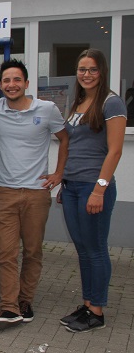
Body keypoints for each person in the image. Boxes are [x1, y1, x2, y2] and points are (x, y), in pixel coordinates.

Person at [0, 59, 69, 331]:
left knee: (32, 252)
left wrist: (59, 174)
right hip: (5, 193)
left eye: (16, 80)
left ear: (26, 84)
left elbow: (65, 139)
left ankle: (25, 301)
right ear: (1, 84)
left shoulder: (47, 109)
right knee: (7, 254)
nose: (11, 85)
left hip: (36, 195)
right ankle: (8, 308)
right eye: (6, 80)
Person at [59, 49, 126, 333]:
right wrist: (64, 181)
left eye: (92, 69)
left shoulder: (111, 103)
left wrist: (99, 190)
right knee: (83, 250)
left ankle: (96, 311)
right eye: (82, 69)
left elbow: (116, 150)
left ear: (102, 72)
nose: (86, 74)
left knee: (96, 249)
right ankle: (87, 304)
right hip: (73, 186)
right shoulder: (79, 102)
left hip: (93, 187)